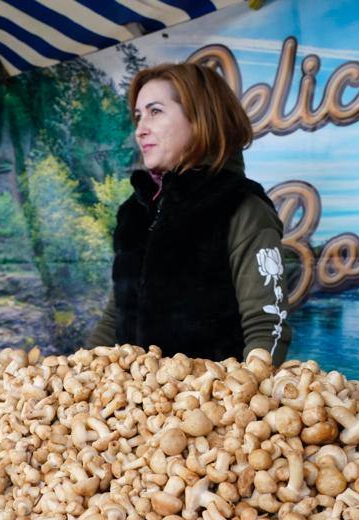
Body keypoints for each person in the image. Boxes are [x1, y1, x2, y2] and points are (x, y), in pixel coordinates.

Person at [87, 62, 298, 364]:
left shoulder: (241, 206)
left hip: (213, 406)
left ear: (200, 118)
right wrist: (77, 373)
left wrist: (241, 399)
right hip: (130, 405)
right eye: (138, 116)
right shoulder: (134, 211)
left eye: (155, 111)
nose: (140, 129)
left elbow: (268, 326)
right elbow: (117, 314)